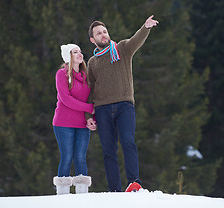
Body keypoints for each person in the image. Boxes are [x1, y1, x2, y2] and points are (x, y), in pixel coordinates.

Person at [85, 15, 159, 192]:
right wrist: (89, 115)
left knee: (128, 141)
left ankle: (134, 183)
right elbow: (89, 90)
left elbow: (136, 40)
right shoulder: (92, 62)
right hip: (102, 109)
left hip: (124, 106)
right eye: (99, 33)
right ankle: (114, 189)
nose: (103, 35)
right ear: (92, 39)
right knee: (108, 151)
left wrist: (146, 27)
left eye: (104, 31)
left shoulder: (122, 49)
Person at [52, 44, 96, 195]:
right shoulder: (61, 74)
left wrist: (92, 118)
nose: (79, 54)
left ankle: (82, 195)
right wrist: (89, 108)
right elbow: (66, 99)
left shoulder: (86, 76)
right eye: (74, 52)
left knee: (80, 157)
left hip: (82, 124)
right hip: (63, 123)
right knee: (67, 156)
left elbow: (91, 97)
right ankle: (63, 195)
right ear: (68, 57)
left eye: (80, 51)